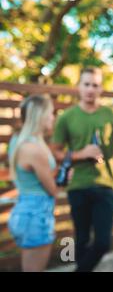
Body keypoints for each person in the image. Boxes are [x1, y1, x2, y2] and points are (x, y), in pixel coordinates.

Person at [51, 67, 113, 272]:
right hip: (78, 185)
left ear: (101, 88)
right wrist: (81, 154)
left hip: (105, 184)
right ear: (79, 87)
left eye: (95, 85)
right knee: (81, 240)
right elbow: (55, 152)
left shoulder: (111, 113)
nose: (91, 89)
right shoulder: (67, 117)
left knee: (103, 243)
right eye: (86, 84)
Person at [8, 94, 58, 272]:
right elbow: (52, 189)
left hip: (24, 211)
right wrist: (61, 180)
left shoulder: (18, 140)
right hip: (36, 215)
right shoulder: (34, 149)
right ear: (41, 115)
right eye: (51, 113)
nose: (53, 117)